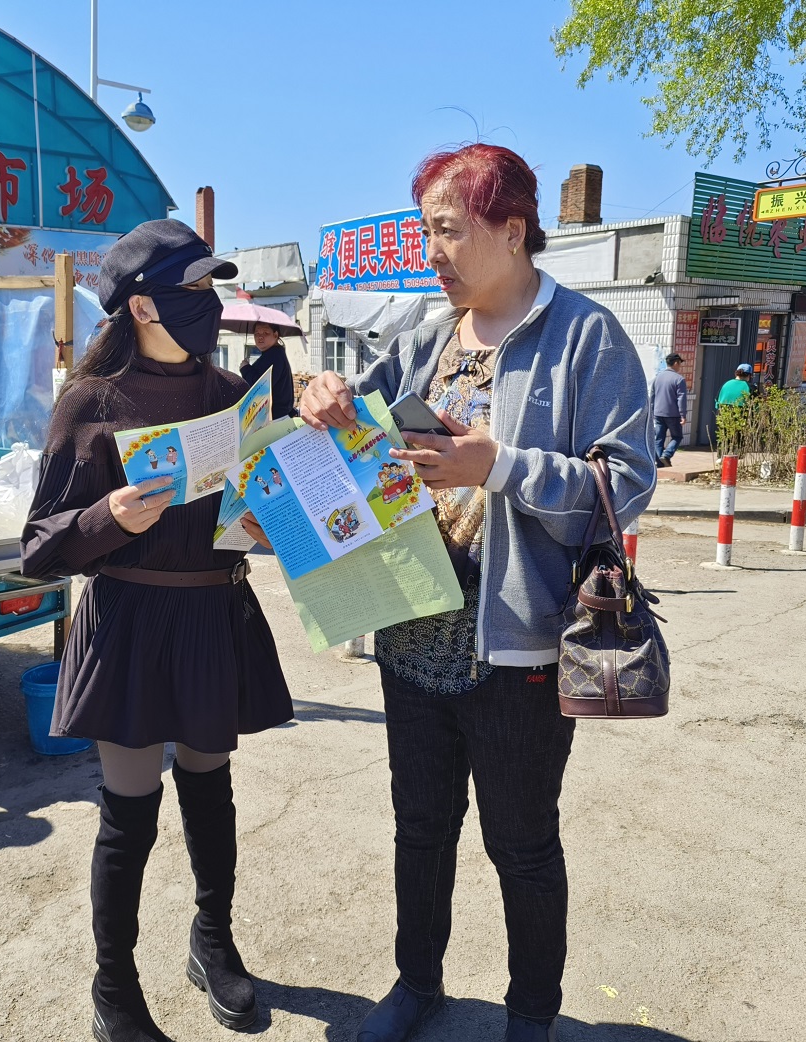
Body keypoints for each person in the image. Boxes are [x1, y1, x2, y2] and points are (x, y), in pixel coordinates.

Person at [300, 144, 656, 1042]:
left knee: (521, 843)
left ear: (513, 228)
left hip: (518, 645)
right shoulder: (427, 338)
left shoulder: (583, 336)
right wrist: (323, 392)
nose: (433, 253)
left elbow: (625, 483)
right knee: (419, 828)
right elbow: (356, 420)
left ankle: (531, 1013)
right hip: (411, 630)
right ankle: (416, 983)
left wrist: (496, 465)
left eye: (449, 231)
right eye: (426, 232)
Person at [21, 220, 293, 1042]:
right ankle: (114, 986)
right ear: (142, 305)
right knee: (129, 812)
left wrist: (272, 521)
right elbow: (38, 545)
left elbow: (255, 509)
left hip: (214, 610)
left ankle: (214, 942)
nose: (209, 303)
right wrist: (106, 516)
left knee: (212, 791)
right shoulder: (91, 403)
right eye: (194, 289)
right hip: (130, 622)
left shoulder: (232, 395)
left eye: (212, 288)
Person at [239, 320, 294, 419]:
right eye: (257, 333)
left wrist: (245, 368)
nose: (260, 337)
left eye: (265, 333)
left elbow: (260, 386)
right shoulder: (272, 354)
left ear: (275, 335)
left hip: (274, 417)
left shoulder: (274, 355)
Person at [651, 353, 688, 468]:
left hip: (658, 413)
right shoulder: (679, 379)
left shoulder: (657, 378)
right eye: (680, 363)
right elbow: (681, 398)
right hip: (673, 414)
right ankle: (666, 455)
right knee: (677, 437)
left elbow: (652, 396)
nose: (680, 366)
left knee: (659, 438)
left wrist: (652, 412)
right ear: (676, 363)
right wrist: (683, 415)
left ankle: (659, 462)